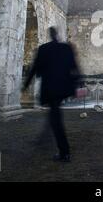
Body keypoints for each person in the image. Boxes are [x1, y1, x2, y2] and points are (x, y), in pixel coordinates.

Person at [23, 27, 80, 162]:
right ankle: (46, 139)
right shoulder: (66, 48)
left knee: (56, 120)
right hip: (62, 90)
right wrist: (77, 85)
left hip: (50, 90)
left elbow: (34, 68)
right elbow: (75, 68)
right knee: (54, 116)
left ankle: (64, 152)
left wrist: (25, 85)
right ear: (57, 35)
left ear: (50, 35)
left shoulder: (44, 49)